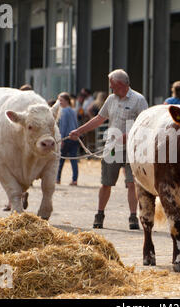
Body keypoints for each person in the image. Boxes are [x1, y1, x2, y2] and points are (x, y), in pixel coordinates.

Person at [69, 69, 148, 230]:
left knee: (132, 183)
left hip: (132, 149)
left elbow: (145, 125)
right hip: (112, 148)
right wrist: (80, 131)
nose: (110, 88)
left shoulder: (139, 100)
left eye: (112, 85)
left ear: (120, 84)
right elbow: (99, 119)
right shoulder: (111, 99)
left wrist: (129, 135)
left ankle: (133, 217)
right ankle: (100, 214)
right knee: (106, 183)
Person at [56, 92, 79, 186]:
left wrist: (61, 139)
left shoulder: (63, 111)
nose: (59, 102)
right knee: (74, 160)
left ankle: (57, 179)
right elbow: (76, 124)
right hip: (74, 137)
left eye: (61, 100)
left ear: (66, 101)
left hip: (66, 138)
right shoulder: (73, 110)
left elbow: (63, 126)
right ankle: (74, 180)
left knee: (61, 160)